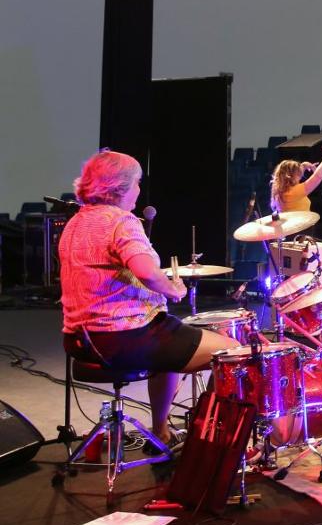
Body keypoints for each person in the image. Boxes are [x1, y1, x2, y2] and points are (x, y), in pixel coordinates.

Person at [59, 150, 237, 449]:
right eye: (137, 182)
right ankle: (208, 443)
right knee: (232, 353)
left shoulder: (75, 223)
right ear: (119, 186)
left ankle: (161, 433)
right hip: (124, 336)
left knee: (170, 351)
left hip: (80, 339)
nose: (139, 190)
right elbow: (145, 272)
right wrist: (173, 289)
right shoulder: (121, 221)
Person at [269, 143, 322, 212]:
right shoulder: (292, 192)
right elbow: (317, 177)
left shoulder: (279, 191)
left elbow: (299, 171)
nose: (300, 175)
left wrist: (304, 165)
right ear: (290, 176)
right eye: (298, 173)